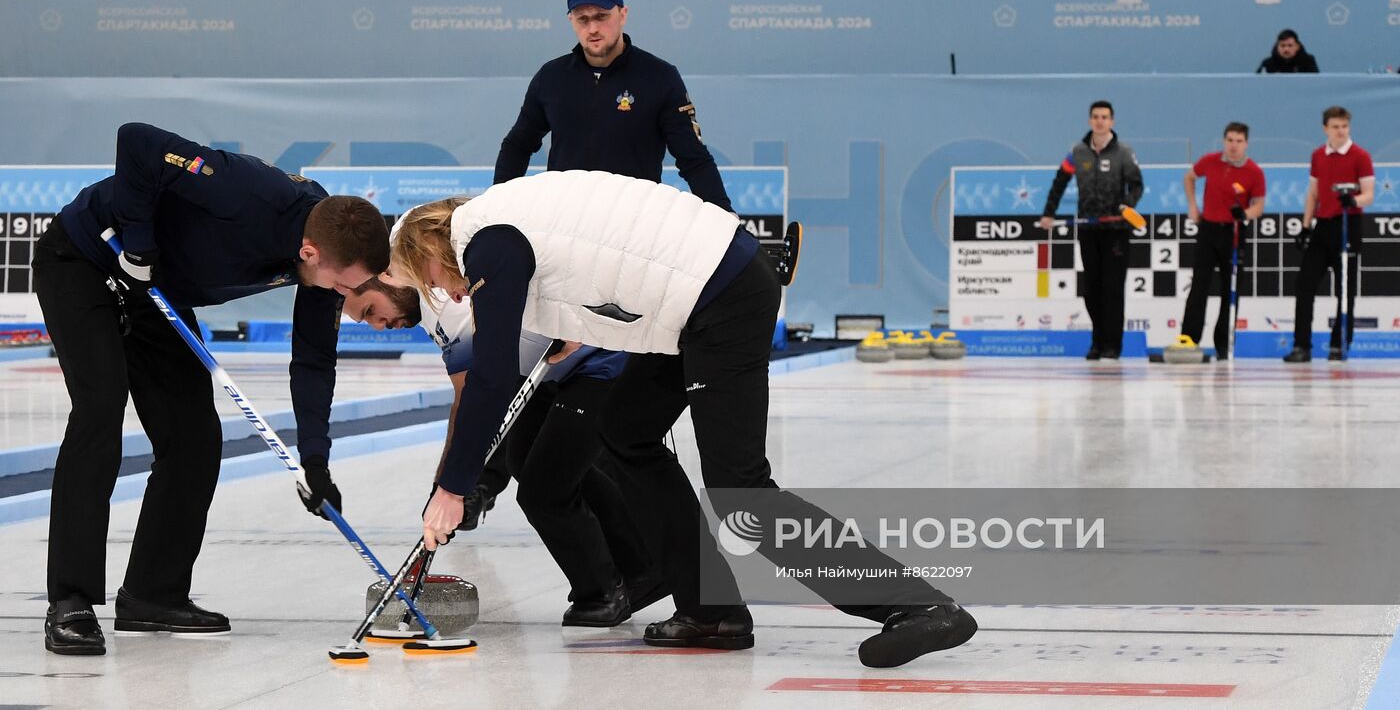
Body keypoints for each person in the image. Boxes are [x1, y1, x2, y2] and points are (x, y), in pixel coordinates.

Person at [392, 170, 977, 669]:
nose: (448, 293)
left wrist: (454, 487)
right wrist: (575, 321)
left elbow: (492, 376)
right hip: (696, 296)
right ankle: (710, 610)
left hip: (721, 295)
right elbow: (593, 255)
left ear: (430, 252)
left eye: (432, 282)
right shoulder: (501, 222)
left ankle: (916, 605)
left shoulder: (484, 239)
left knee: (739, 488)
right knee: (625, 429)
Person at [33, 123, 390, 656]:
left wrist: (315, 460)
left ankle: (153, 593)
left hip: (157, 290)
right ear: (312, 251)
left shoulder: (325, 261)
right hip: (86, 260)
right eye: (344, 284)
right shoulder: (245, 190)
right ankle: (71, 601)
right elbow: (138, 142)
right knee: (100, 411)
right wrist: (138, 243)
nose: (346, 295)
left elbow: (313, 361)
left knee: (195, 436)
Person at [342, 260, 666, 626]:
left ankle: (605, 591)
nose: (379, 326)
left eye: (371, 311)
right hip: (553, 368)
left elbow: (471, 401)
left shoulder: (449, 302)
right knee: (527, 462)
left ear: (387, 278)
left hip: (596, 361)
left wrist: (447, 489)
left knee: (544, 486)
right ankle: (641, 569)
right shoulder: (429, 302)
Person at [493, 0, 732, 212]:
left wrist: (724, 216)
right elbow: (517, 146)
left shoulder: (660, 77)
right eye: (582, 19)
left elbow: (693, 159)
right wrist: (498, 209)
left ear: (623, 14)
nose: (593, 28)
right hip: (565, 222)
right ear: (571, 20)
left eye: (602, 16)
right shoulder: (551, 77)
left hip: (634, 223)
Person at [1037, 101, 1145, 360]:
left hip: (1116, 230)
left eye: (1105, 117)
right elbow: (1059, 181)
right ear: (1089, 121)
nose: (1100, 121)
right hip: (1088, 228)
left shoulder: (1124, 152)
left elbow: (1137, 185)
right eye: (1095, 117)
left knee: (1113, 289)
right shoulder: (1077, 152)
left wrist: (1125, 208)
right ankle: (1096, 342)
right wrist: (1049, 213)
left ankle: (1112, 346)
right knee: (1092, 289)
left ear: (1112, 122)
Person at [1284, 106, 1375, 362]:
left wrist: (1353, 201)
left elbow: (1369, 193)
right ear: (1326, 128)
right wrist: (1305, 226)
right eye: (1335, 127)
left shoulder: (1360, 156)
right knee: (1304, 285)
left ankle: (1339, 345)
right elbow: (1313, 193)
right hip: (1323, 226)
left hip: (1348, 224)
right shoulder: (1318, 156)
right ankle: (1302, 346)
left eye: (1344, 126)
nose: (1340, 132)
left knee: (1345, 290)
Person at [1180, 123, 1267, 359]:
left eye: (1238, 141)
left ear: (1246, 143)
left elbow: (1259, 205)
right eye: (1229, 140)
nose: (1233, 146)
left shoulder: (1254, 172)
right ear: (1224, 141)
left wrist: (1246, 214)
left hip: (1234, 232)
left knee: (1231, 289)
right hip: (1208, 229)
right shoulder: (1210, 161)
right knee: (1199, 285)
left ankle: (1223, 343)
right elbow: (1189, 177)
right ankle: (1188, 339)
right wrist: (1193, 206)